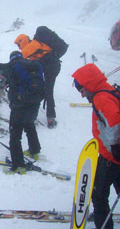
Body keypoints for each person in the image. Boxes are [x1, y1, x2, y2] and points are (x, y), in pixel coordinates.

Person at [72, 63, 120, 229]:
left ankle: (103, 223)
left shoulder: (101, 98)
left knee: (98, 194)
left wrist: (115, 147)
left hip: (111, 155)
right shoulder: (109, 90)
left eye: (82, 90)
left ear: (89, 84)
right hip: (113, 153)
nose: (82, 95)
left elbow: (114, 121)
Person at [0, 50, 43, 174]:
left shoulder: (12, 66)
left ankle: (18, 166)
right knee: (29, 124)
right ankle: (35, 151)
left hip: (19, 106)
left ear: (11, 58)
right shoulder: (34, 65)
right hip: (34, 104)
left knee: (15, 136)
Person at [14, 33, 61, 129]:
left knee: (48, 90)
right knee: (40, 88)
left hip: (52, 67)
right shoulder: (33, 47)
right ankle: (42, 114)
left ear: (22, 41)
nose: (19, 48)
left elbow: (18, 58)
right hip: (50, 66)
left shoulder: (33, 45)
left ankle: (50, 117)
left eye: (19, 45)